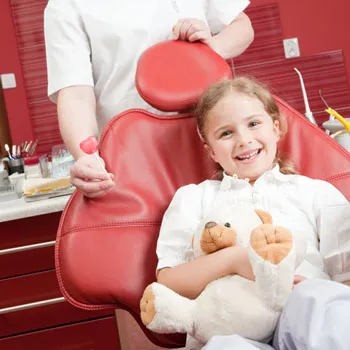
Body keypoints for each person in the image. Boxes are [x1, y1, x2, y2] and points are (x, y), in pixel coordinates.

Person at [155, 77, 350, 349]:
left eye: (253, 124)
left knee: (316, 299)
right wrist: (236, 260)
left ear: (277, 127)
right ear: (210, 150)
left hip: (303, 318)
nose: (244, 140)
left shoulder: (316, 193)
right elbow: (168, 283)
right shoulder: (194, 199)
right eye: (226, 133)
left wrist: (313, 293)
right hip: (232, 327)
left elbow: (345, 278)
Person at [44, 0, 254, 198]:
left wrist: (211, 48)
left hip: (213, 144)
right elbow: (75, 93)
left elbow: (241, 26)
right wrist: (86, 158)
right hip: (133, 156)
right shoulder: (66, 5)